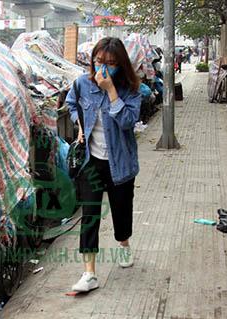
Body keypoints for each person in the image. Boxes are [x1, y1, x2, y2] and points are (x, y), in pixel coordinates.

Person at [65, 37, 141, 293]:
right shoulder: (82, 84)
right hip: (91, 161)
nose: (103, 68)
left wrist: (111, 91)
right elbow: (71, 103)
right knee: (90, 216)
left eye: (111, 63)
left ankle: (124, 244)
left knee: (121, 211)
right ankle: (89, 274)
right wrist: (79, 127)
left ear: (121, 64)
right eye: (99, 61)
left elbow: (129, 121)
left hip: (120, 163)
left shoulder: (131, 89)